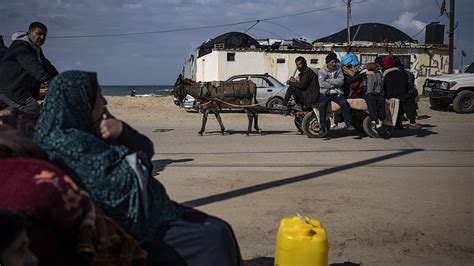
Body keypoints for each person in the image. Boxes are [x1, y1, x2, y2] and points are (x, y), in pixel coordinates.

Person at [34, 70, 242, 266]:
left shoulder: (74, 135)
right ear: (80, 101)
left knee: (219, 230)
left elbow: (145, 152)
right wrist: (128, 147)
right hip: (138, 229)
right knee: (216, 235)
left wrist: (122, 131)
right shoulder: (71, 147)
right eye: (99, 96)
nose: (105, 101)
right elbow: (130, 177)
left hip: (154, 213)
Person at [0, 22, 58, 118]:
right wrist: (47, 79)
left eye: (44, 35)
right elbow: (31, 64)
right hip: (8, 88)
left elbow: (47, 66)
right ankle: (11, 125)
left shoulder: (36, 50)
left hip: (20, 87)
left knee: (44, 98)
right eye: (39, 34)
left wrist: (60, 79)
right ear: (29, 33)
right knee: (33, 108)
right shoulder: (20, 47)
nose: (42, 38)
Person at [318, 52, 354, 131]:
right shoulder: (322, 71)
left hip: (337, 92)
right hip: (325, 93)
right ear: (327, 62)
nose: (334, 64)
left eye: (335, 62)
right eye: (332, 62)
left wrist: (329, 80)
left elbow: (341, 82)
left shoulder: (338, 69)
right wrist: (334, 84)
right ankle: (322, 126)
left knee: (344, 103)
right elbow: (322, 84)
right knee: (322, 105)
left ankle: (348, 123)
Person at [382, 55, 421, 129]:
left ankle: (398, 122)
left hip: (390, 95)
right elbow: (407, 84)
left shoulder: (384, 73)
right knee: (409, 101)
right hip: (403, 94)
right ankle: (412, 122)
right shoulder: (403, 72)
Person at [364, 63, 386, 128]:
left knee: (375, 103)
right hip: (373, 93)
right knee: (376, 103)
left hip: (372, 93)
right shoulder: (377, 74)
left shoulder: (376, 74)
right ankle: (377, 119)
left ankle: (376, 119)